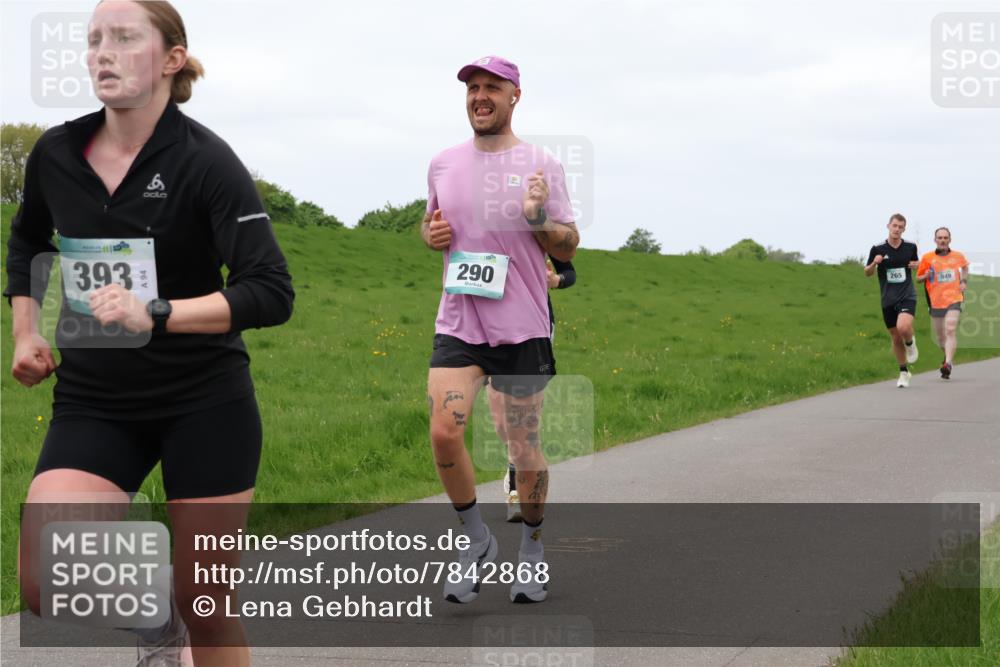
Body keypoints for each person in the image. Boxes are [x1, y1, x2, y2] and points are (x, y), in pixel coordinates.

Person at [6, 2, 294, 665]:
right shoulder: (56, 153)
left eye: (125, 39)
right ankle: (161, 621)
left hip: (205, 400)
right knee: (49, 574)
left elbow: (270, 288)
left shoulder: (205, 162)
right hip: (96, 399)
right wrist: (25, 330)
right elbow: (26, 241)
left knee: (213, 610)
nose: (102, 52)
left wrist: (157, 312)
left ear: (170, 59)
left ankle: (191, 614)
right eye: (94, 41)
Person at [422, 55, 579, 604]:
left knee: (523, 444)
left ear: (515, 96)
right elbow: (431, 223)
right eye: (472, 88)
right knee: (444, 430)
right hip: (461, 319)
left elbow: (568, 244)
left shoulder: (541, 164)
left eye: (492, 87)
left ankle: (532, 550)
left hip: (521, 325)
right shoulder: (443, 163)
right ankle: (476, 540)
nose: (479, 96)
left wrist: (537, 216)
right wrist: (432, 234)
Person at [499, 255, 576, 522]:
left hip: (535, 324)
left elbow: (568, 270)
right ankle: (516, 470)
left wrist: (555, 280)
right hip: (488, 322)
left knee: (523, 422)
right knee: (501, 424)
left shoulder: (537, 221)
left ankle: (517, 493)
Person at [864, 213, 920, 388]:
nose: (897, 229)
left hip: (907, 295)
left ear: (904, 229)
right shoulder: (878, 248)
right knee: (896, 337)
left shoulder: (910, 247)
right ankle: (903, 372)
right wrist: (874, 263)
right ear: (888, 226)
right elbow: (867, 272)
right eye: (894, 226)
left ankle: (910, 343)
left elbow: (916, 264)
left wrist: (916, 265)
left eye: (900, 227)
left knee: (904, 327)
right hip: (888, 298)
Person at [916, 227, 970, 379]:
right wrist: (925, 275)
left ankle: (948, 363)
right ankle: (947, 358)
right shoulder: (927, 258)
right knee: (941, 338)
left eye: (945, 237)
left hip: (954, 298)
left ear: (949, 240)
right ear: (935, 240)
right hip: (935, 301)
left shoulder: (958, 256)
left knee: (950, 329)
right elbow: (918, 279)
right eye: (940, 238)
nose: (943, 240)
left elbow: (965, 267)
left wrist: (963, 281)